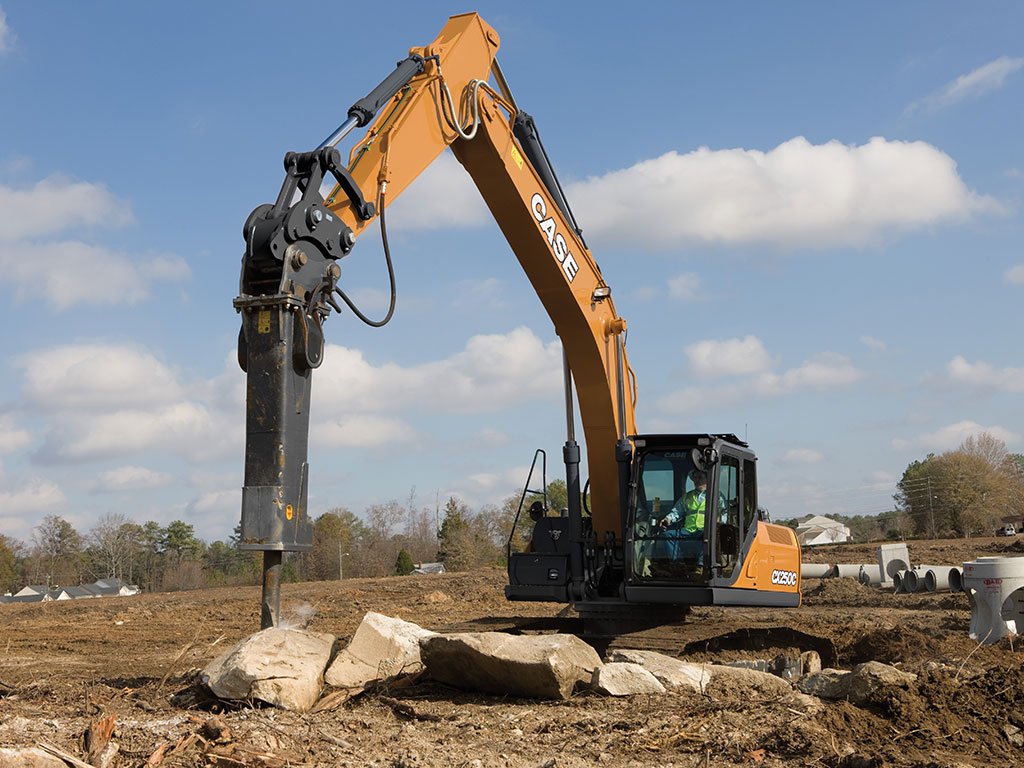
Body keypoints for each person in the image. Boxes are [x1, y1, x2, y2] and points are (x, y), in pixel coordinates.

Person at [657, 469, 709, 566]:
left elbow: (722, 515)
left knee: (708, 537)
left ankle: (701, 566)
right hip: (688, 531)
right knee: (668, 535)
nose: (697, 480)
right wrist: (667, 520)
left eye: (700, 477)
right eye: (695, 478)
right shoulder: (687, 497)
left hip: (704, 531)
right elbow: (676, 512)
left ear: (707, 479)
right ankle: (677, 563)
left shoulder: (716, 497)